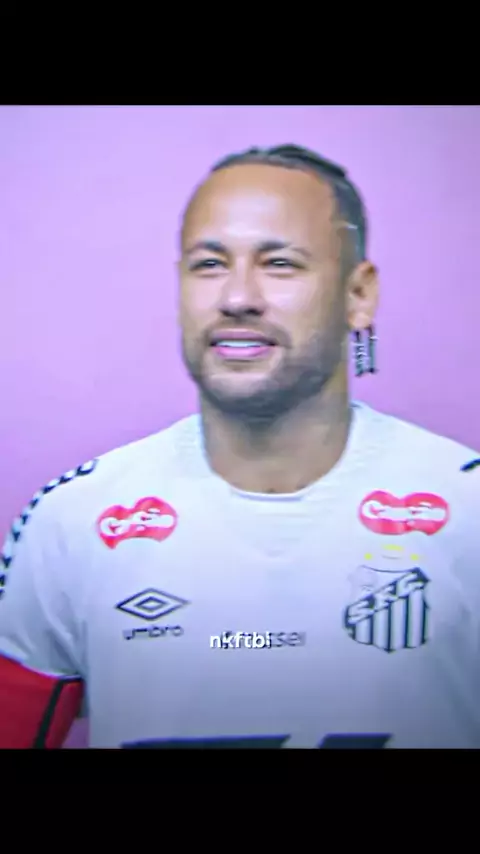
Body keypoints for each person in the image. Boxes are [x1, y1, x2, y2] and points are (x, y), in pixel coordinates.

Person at [0, 144, 479, 749]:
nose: (236, 297)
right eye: (209, 264)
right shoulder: (71, 521)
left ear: (358, 295)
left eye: (279, 263)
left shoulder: (468, 510)